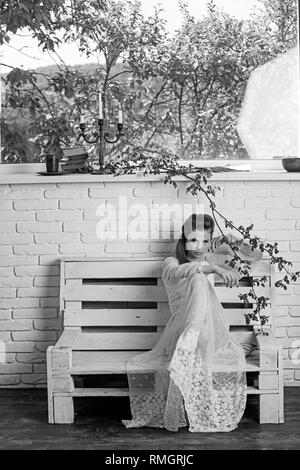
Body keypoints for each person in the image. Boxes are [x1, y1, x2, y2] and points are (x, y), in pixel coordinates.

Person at [122, 213, 263, 432]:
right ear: (184, 239)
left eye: (205, 241)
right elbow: (178, 272)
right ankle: (197, 338)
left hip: (210, 329)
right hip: (180, 330)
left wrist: (233, 240)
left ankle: (207, 341)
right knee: (197, 277)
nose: (199, 246)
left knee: (203, 323)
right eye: (193, 240)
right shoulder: (172, 263)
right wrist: (212, 268)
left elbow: (256, 256)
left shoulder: (212, 259)